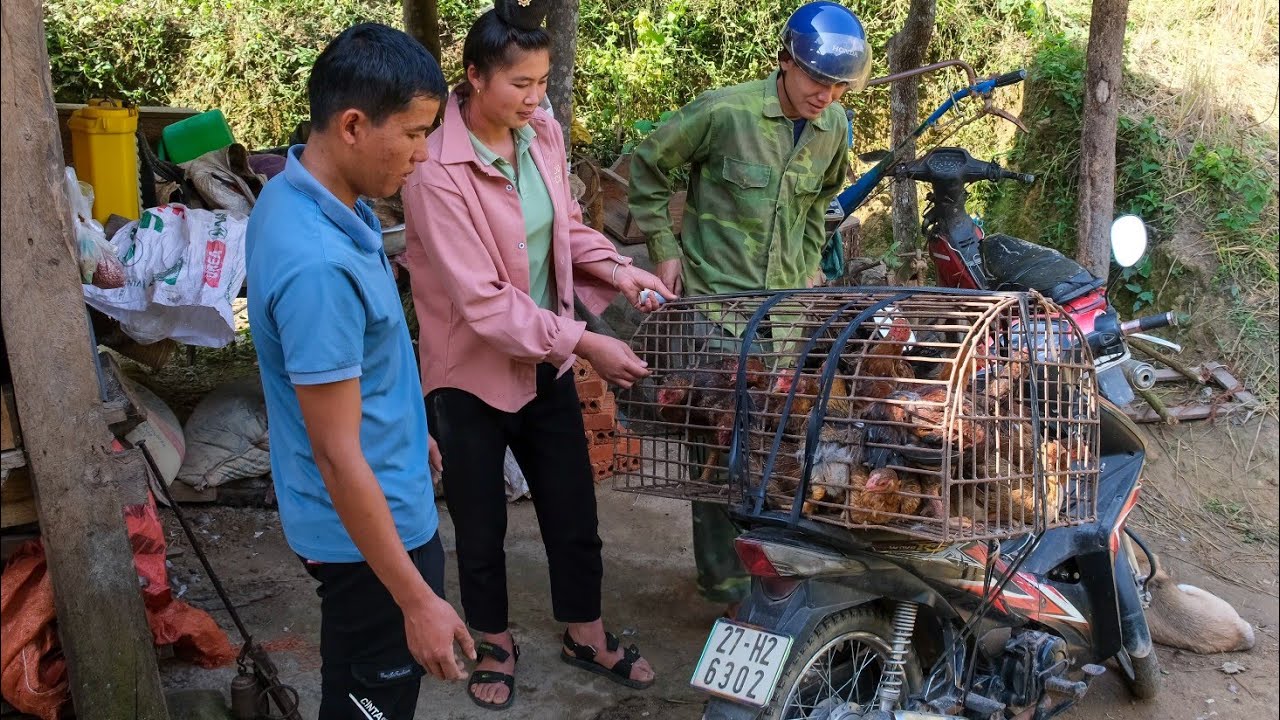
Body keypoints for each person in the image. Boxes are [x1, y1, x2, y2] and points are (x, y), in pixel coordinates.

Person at [401, 3, 675, 711]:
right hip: (470, 373)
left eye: (542, 81)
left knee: (572, 507)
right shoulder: (435, 172)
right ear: (473, 78)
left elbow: (568, 230)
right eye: (519, 83)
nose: (534, 97)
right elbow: (484, 305)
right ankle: (494, 641)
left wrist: (619, 270)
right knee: (481, 519)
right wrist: (585, 341)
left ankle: (585, 632)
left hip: (545, 357)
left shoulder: (540, 134)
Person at [246, 23, 474, 720]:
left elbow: (352, 374)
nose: (423, 153)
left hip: (372, 501)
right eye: (412, 132)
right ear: (351, 125)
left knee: (350, 682)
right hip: (370, 539)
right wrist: (417, 600)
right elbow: (339, 456)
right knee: (370, 703)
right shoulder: (319, 264)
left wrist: (406, 432)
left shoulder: (300, 197)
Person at [627, 1, 873, 616]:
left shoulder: (833, 130)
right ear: (785, 62)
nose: (826, 94)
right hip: (720, 311)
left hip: (786, 317)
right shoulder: (726, 112)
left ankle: (772, 568)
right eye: (817, 79)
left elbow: (821, 200)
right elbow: (648, 165)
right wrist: (664, 247)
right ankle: (725, 585)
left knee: (780, 446)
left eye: (838, 85)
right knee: (717, 450)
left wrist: (811, 258)